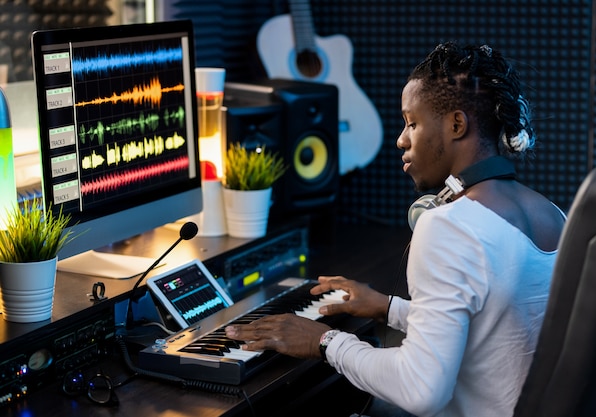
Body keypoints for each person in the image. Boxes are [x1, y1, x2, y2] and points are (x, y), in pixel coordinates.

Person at [225, 41, 566, 417]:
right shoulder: (553, 215)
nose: (401, 139)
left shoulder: (448, 226)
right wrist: (389, 309)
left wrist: (323, 341)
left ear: (456, 124)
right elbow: (496, 325)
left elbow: (421, 390)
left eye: (412, 123)